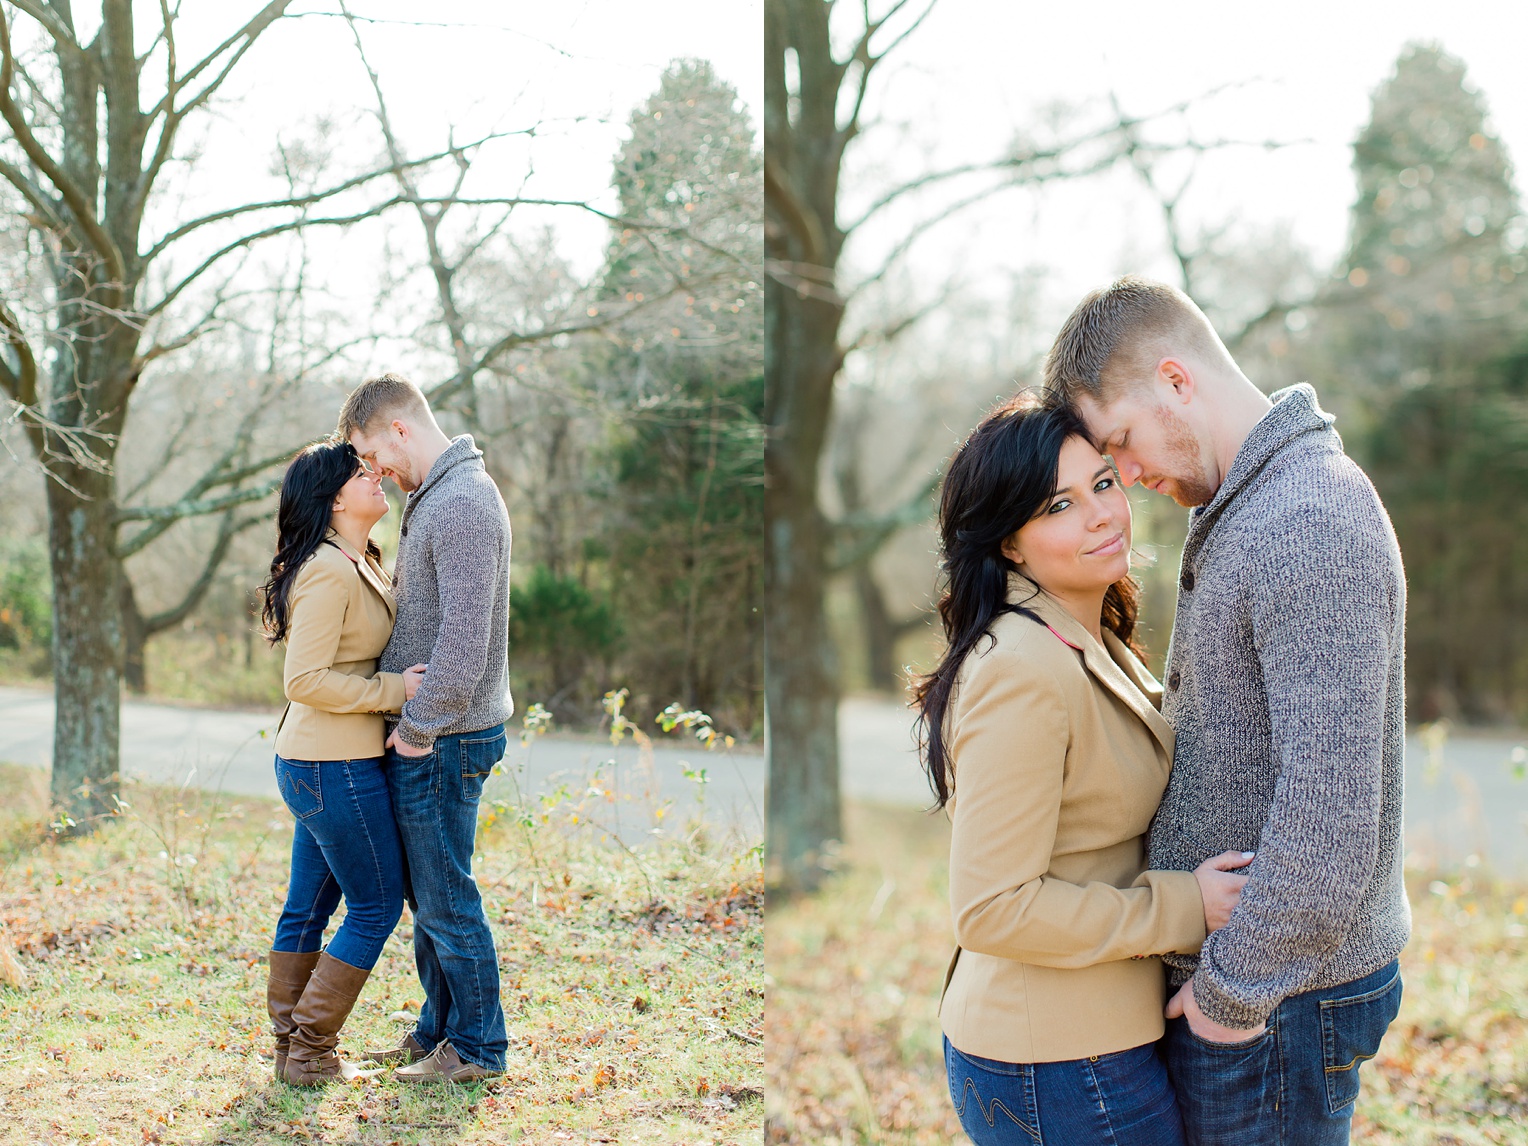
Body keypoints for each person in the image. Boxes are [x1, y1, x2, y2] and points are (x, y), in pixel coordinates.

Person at [1044, 275, 1409, 1146]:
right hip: (1269, 988)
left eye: (1122, 444)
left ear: (1177, 382)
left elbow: (1329, 822)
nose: (1125, 478)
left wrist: (1227, 1000)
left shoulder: (1306, 520)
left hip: (1278, 1001)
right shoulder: (1254, 506)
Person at [915, 394, 1254, 1146]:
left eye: (1103, 483)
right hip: (1056, 1059)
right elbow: (992, 906)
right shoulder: (1023, 667)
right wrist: (1185, 905)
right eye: (1059, 505)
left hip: (1090, 1043)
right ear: (1008, 543)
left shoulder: (1081, 633)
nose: (1102, 515)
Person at [338, 372, 513, 1085]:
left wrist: (417, 729)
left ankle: (476, 1049)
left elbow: (466, 645)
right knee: (430, 895)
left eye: (374, 456)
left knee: (446, 895)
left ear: (400, 430)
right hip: (440, 732)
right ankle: (438, 1031)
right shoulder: (436, 497)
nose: (375, 473)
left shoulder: (464, 503)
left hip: (447, 736)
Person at [260, 439, 427, 1086]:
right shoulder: (329, 570)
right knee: (376, 906)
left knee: (307, 907)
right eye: (363, 474)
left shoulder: (353, 561)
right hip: (333, 766)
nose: (377, 477)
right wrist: (396, 692)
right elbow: (303, 679)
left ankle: (289, 1050)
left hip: (316, 761)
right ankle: (310, 1052)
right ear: (333, 499)